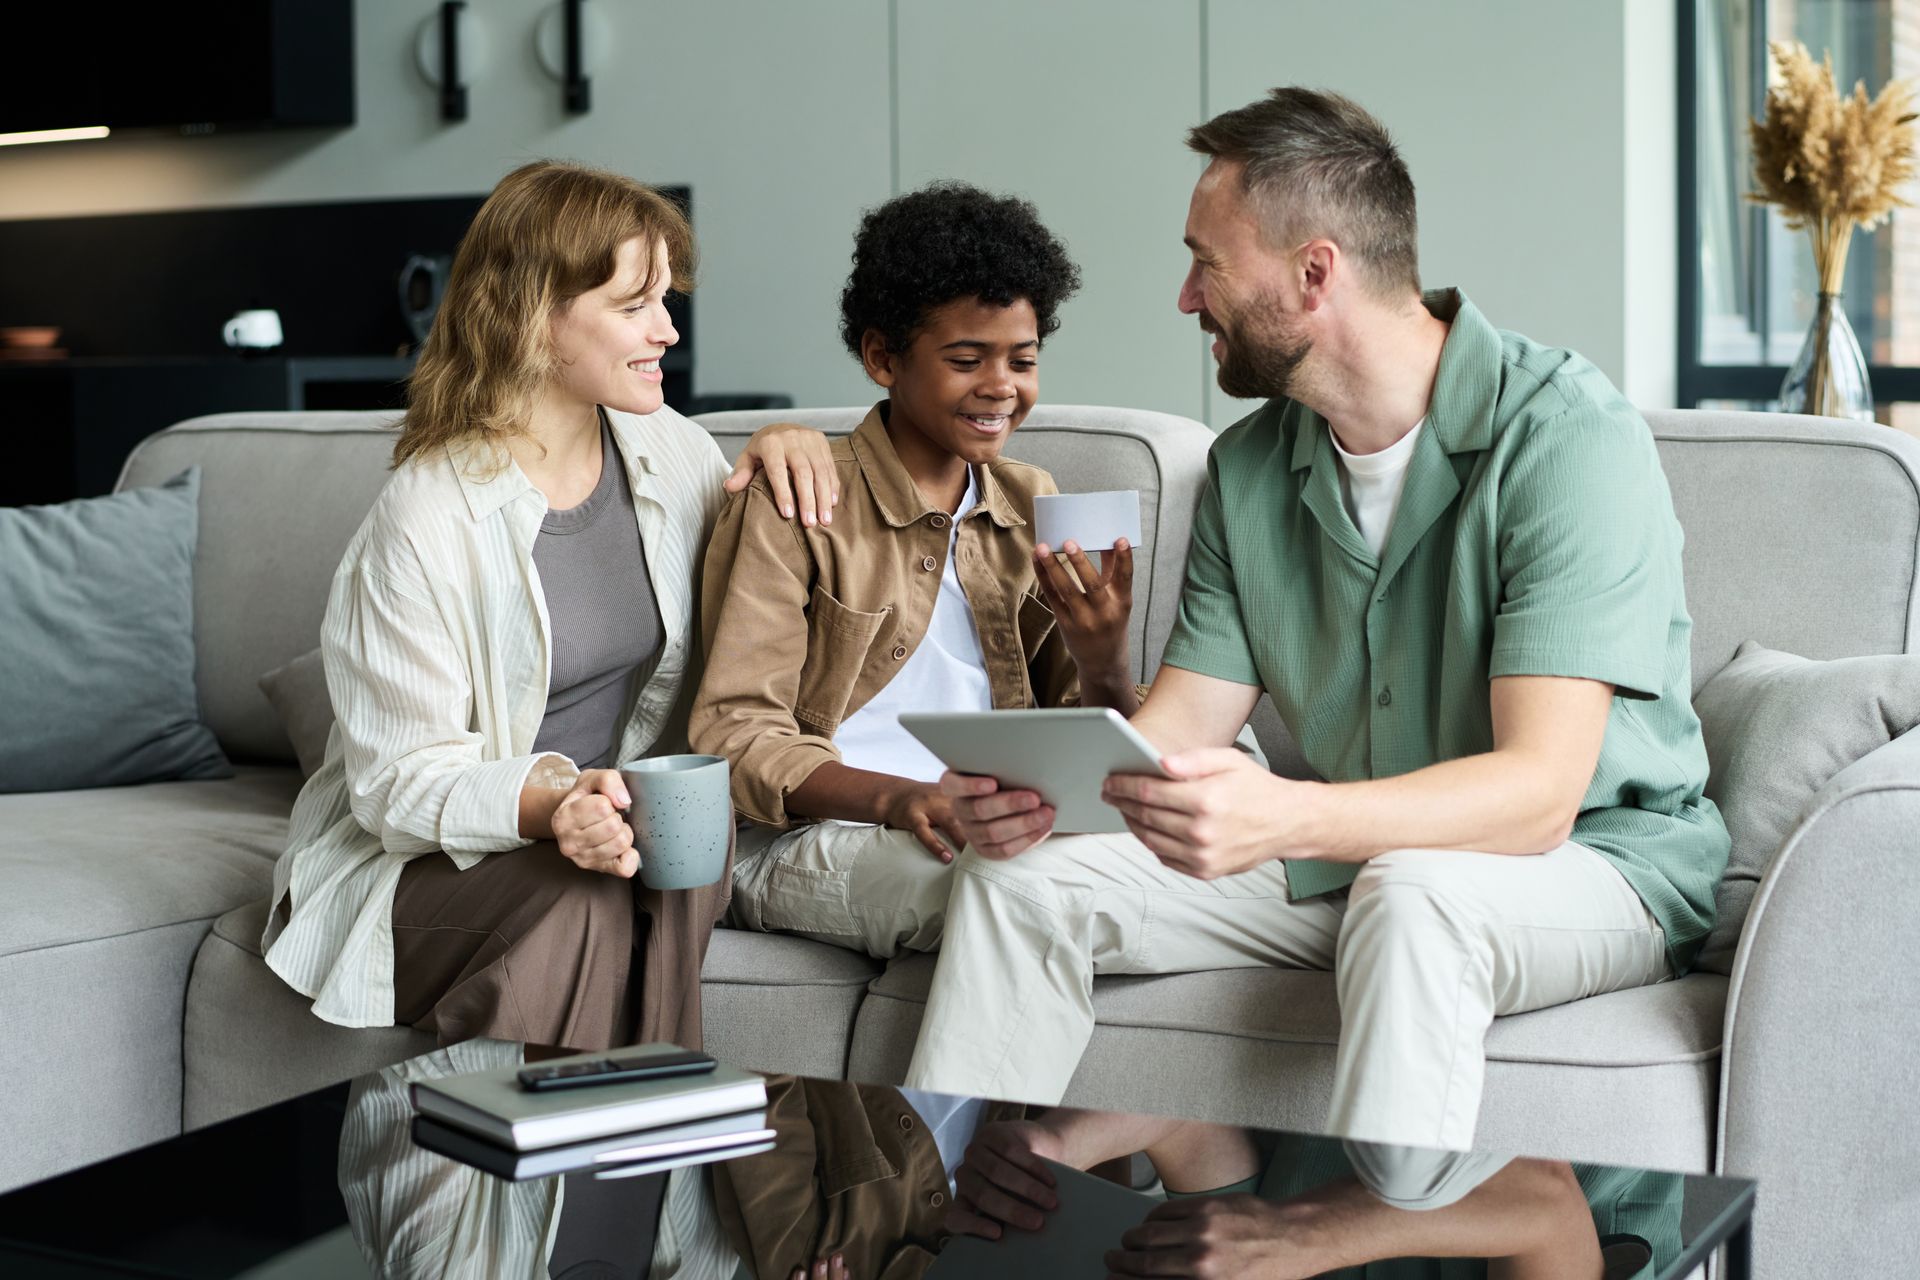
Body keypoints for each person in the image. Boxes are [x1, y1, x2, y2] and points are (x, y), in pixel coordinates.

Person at [904, 88, 1731, 1153]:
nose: (1185, 296)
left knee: (1414, 892)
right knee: (1019, 875)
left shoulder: (1566, 437)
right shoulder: (1248, 471)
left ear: (1314, 271)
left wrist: (1287, 815)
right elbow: (1177, 736)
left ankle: (1357, 1234)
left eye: (1207, 260)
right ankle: (953, 1211)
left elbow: (1538, 796)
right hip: (1358, 857)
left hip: (1594, 863)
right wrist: (1040, 796)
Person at [262, 160, 839, 1055]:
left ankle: (628, 1128)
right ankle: (597, 1140)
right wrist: (551, 801)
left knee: (682, 830)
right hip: (424, 864)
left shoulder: (670, 449)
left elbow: (769, 576)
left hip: (612, 840)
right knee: (589, 887)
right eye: (635, 304)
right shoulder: (424, 519)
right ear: (536, 317)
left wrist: (785, 441)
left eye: (666, 299)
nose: (668, 329)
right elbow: (392, 786)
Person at [690, 181, 1135, 959]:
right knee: (1012, 901)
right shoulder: (799, 497)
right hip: (813, 836)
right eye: (967, 359)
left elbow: (1085, 732)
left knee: (1111, 880)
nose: (1001, 386)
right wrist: (899, 799)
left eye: (1022, 360)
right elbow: (735, 736)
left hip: (991, 825)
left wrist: (1104, 662)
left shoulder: (1034, 500)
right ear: (882, 357)